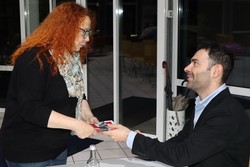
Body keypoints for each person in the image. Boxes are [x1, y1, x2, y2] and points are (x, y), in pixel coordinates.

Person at [103, 44, 250, 167]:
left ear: (216, 71)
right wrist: (138, 142)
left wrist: (131, 137)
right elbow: (179, 143)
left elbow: (183, 155)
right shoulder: (206, 104)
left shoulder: (226, 114)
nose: (187, 67)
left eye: (195, 63)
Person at [0, 2, 99, 166]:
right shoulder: (34, 58)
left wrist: (87, 116)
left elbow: (77, 94)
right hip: (28, 150)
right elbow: (30, 109)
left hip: (58, 146)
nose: (87, 39)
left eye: (89, 33)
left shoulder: (70, 58)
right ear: (65, 27)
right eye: (84, 32)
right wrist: (76, 125)